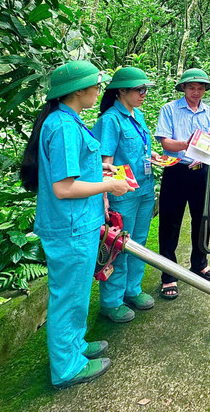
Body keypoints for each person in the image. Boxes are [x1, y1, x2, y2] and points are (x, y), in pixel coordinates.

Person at [20, 60, 134, 388]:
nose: (99, 91)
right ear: (78, 91)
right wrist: (109, 186)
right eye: (95, 86)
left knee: (78, 293)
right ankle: (66, 367)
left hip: (77, 224)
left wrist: (102, 173)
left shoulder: (67, 120)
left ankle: (75, 346)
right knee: (69, 296)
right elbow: (63, 187)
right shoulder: (64, 126)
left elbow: (74, 172)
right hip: (71, 227)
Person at [93, 67, 159, 322]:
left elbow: (140, 148)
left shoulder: (138, 115)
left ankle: (132, 289)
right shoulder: (110, 120)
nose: (144, 94)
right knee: (119, 245)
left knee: (139, 242)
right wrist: (106, 199)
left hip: (144, 188)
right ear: (121, 91)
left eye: (145, 89)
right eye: (138, 89)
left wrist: (151, 157)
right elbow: (104, 163)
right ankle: (111, 302)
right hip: (123, 194)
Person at [154, 68, 210, 300]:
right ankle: (168, 274)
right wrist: (186, 144)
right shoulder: (169, 110)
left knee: (202, 219)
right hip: (175, 170)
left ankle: (199, 263)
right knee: (170, 222)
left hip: (201, 172)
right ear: (183, 88)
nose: (196, 91)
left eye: (200, 88)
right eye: (191, 87)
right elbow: (165, 142)